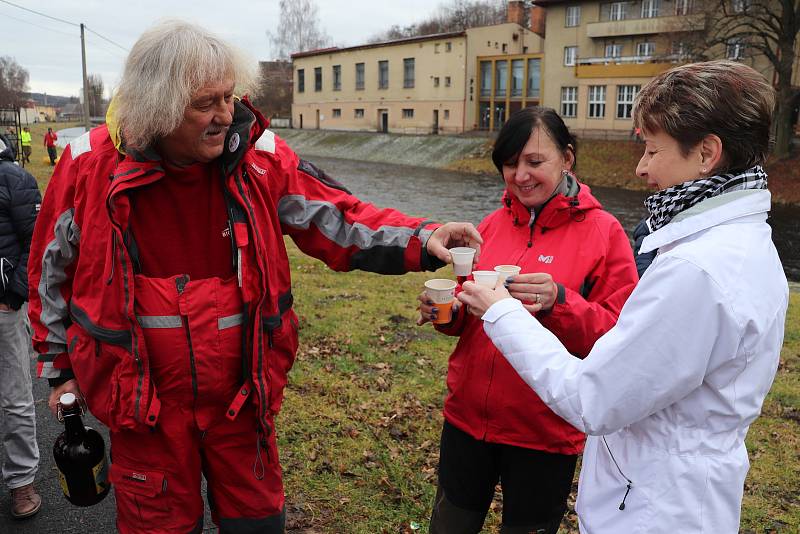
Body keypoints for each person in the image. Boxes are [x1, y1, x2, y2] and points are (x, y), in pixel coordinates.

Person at [27, 20, 481, 534]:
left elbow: (338, 216)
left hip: (242, 404)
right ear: (157, 106)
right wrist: (57, 367)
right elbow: (50, 271)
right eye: (205, 104)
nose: (225, 115)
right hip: (142, 409)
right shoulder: (88, 166)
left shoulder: (259, 158)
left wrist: (422, 236)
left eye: (228, 96)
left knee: (258, 523)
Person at [458, 60, 789, 533]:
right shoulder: (739, 245)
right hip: (664, 493)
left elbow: (593, 397)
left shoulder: (697, 271)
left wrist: (505, 312)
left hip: (655, 510)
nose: (641, 168)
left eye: (653, 150)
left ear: (707, 153)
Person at [418, 107, 638, 533]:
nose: (521, 175)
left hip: (545, 429)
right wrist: (447, 315)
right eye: (510, 163)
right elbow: (472, 316)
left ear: (567, 159)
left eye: (535, 162)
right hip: (467, 419)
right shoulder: (492, 224)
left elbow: (618, 337)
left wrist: (559, 303)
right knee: (450, 524)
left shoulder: (604, 233)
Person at [0, 133, 42, 519]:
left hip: (3, 310)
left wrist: (13, 294)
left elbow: (36, 242)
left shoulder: (13, 177)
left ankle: (21, 482)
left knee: (14, 398)